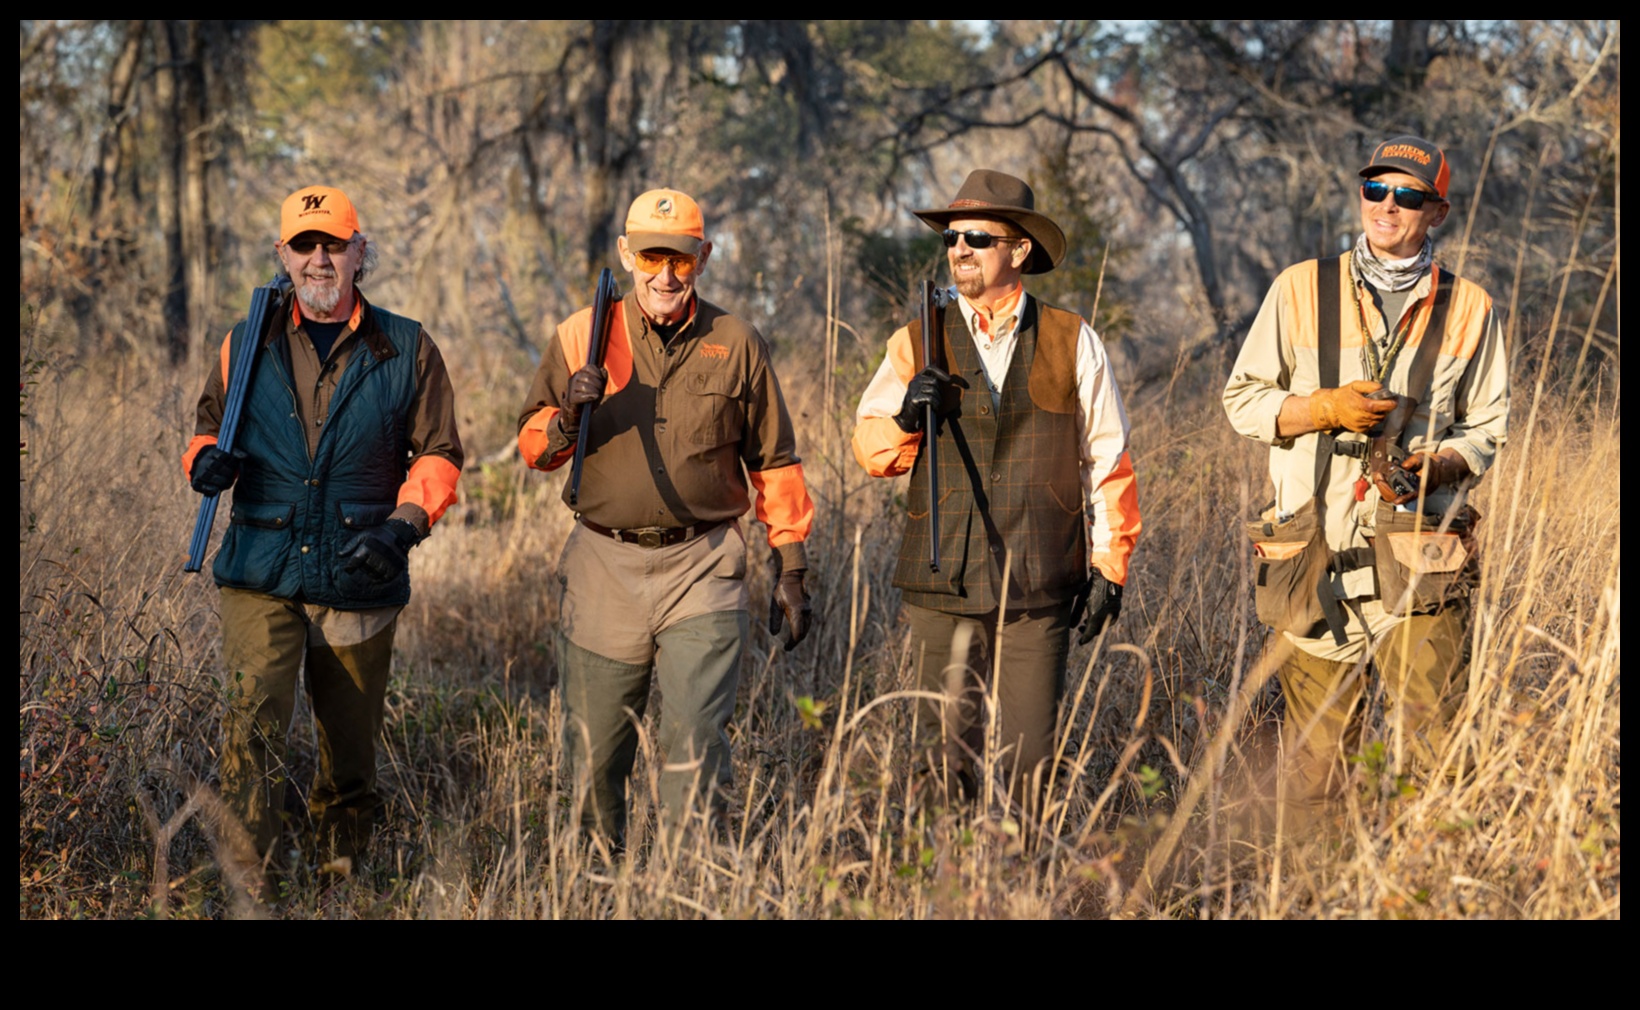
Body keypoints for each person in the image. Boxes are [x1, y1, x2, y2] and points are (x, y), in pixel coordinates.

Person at [1223, 136, 1509, 825]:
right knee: (1317, 767)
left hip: (1422, 558)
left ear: (1436, 212)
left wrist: (1435, 465)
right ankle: (1321, 894)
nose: (1387, 205)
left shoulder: (1470, 305)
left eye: (1408, 195)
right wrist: (1323, 407)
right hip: (1309, 558)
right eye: (1376, 189)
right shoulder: (1298, 286)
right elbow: (1242, 400)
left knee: (1436, 753)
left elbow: (1488, 429)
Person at [518, 187, 815, 847]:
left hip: (703, 564)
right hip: (603, 563)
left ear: (703, 256)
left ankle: (691, 891)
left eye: (681, 258)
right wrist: (568, 413)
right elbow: (534, 447)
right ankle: (596, 889)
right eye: (652, 256)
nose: (666, 275)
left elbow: (776, 460)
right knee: (593, 758)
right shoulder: (580, 333)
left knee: (695, 749)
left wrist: (790, 562)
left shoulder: (737, 341)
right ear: (627, 254)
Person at [183, 185, 464, 872]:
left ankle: (341, 883)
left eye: (333, 244)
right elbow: (205, 430)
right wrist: (204, 463)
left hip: (361, 566)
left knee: (350, 750)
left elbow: (439, 452)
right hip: (261, 567)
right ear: (282, 254)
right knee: (251, 736)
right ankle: (255, 885)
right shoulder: (245, 341)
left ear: (359, 253)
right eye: (304, 245)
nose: (318, 258)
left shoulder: (407, 345)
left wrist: (401, 528)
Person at [852, 169, 1141, 813]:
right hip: (942, 580)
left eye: (979, 238)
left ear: (1020, 251)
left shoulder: (1074, 340)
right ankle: (942, 893)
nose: (960, 250)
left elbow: (1109, 459)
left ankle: (1022, 890)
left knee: (1031, 765)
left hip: (1039, 584)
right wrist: (904, 417)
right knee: (940, 758)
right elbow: (870, 449)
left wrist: (1108, 569)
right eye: (953, 238)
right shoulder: (917, 338)